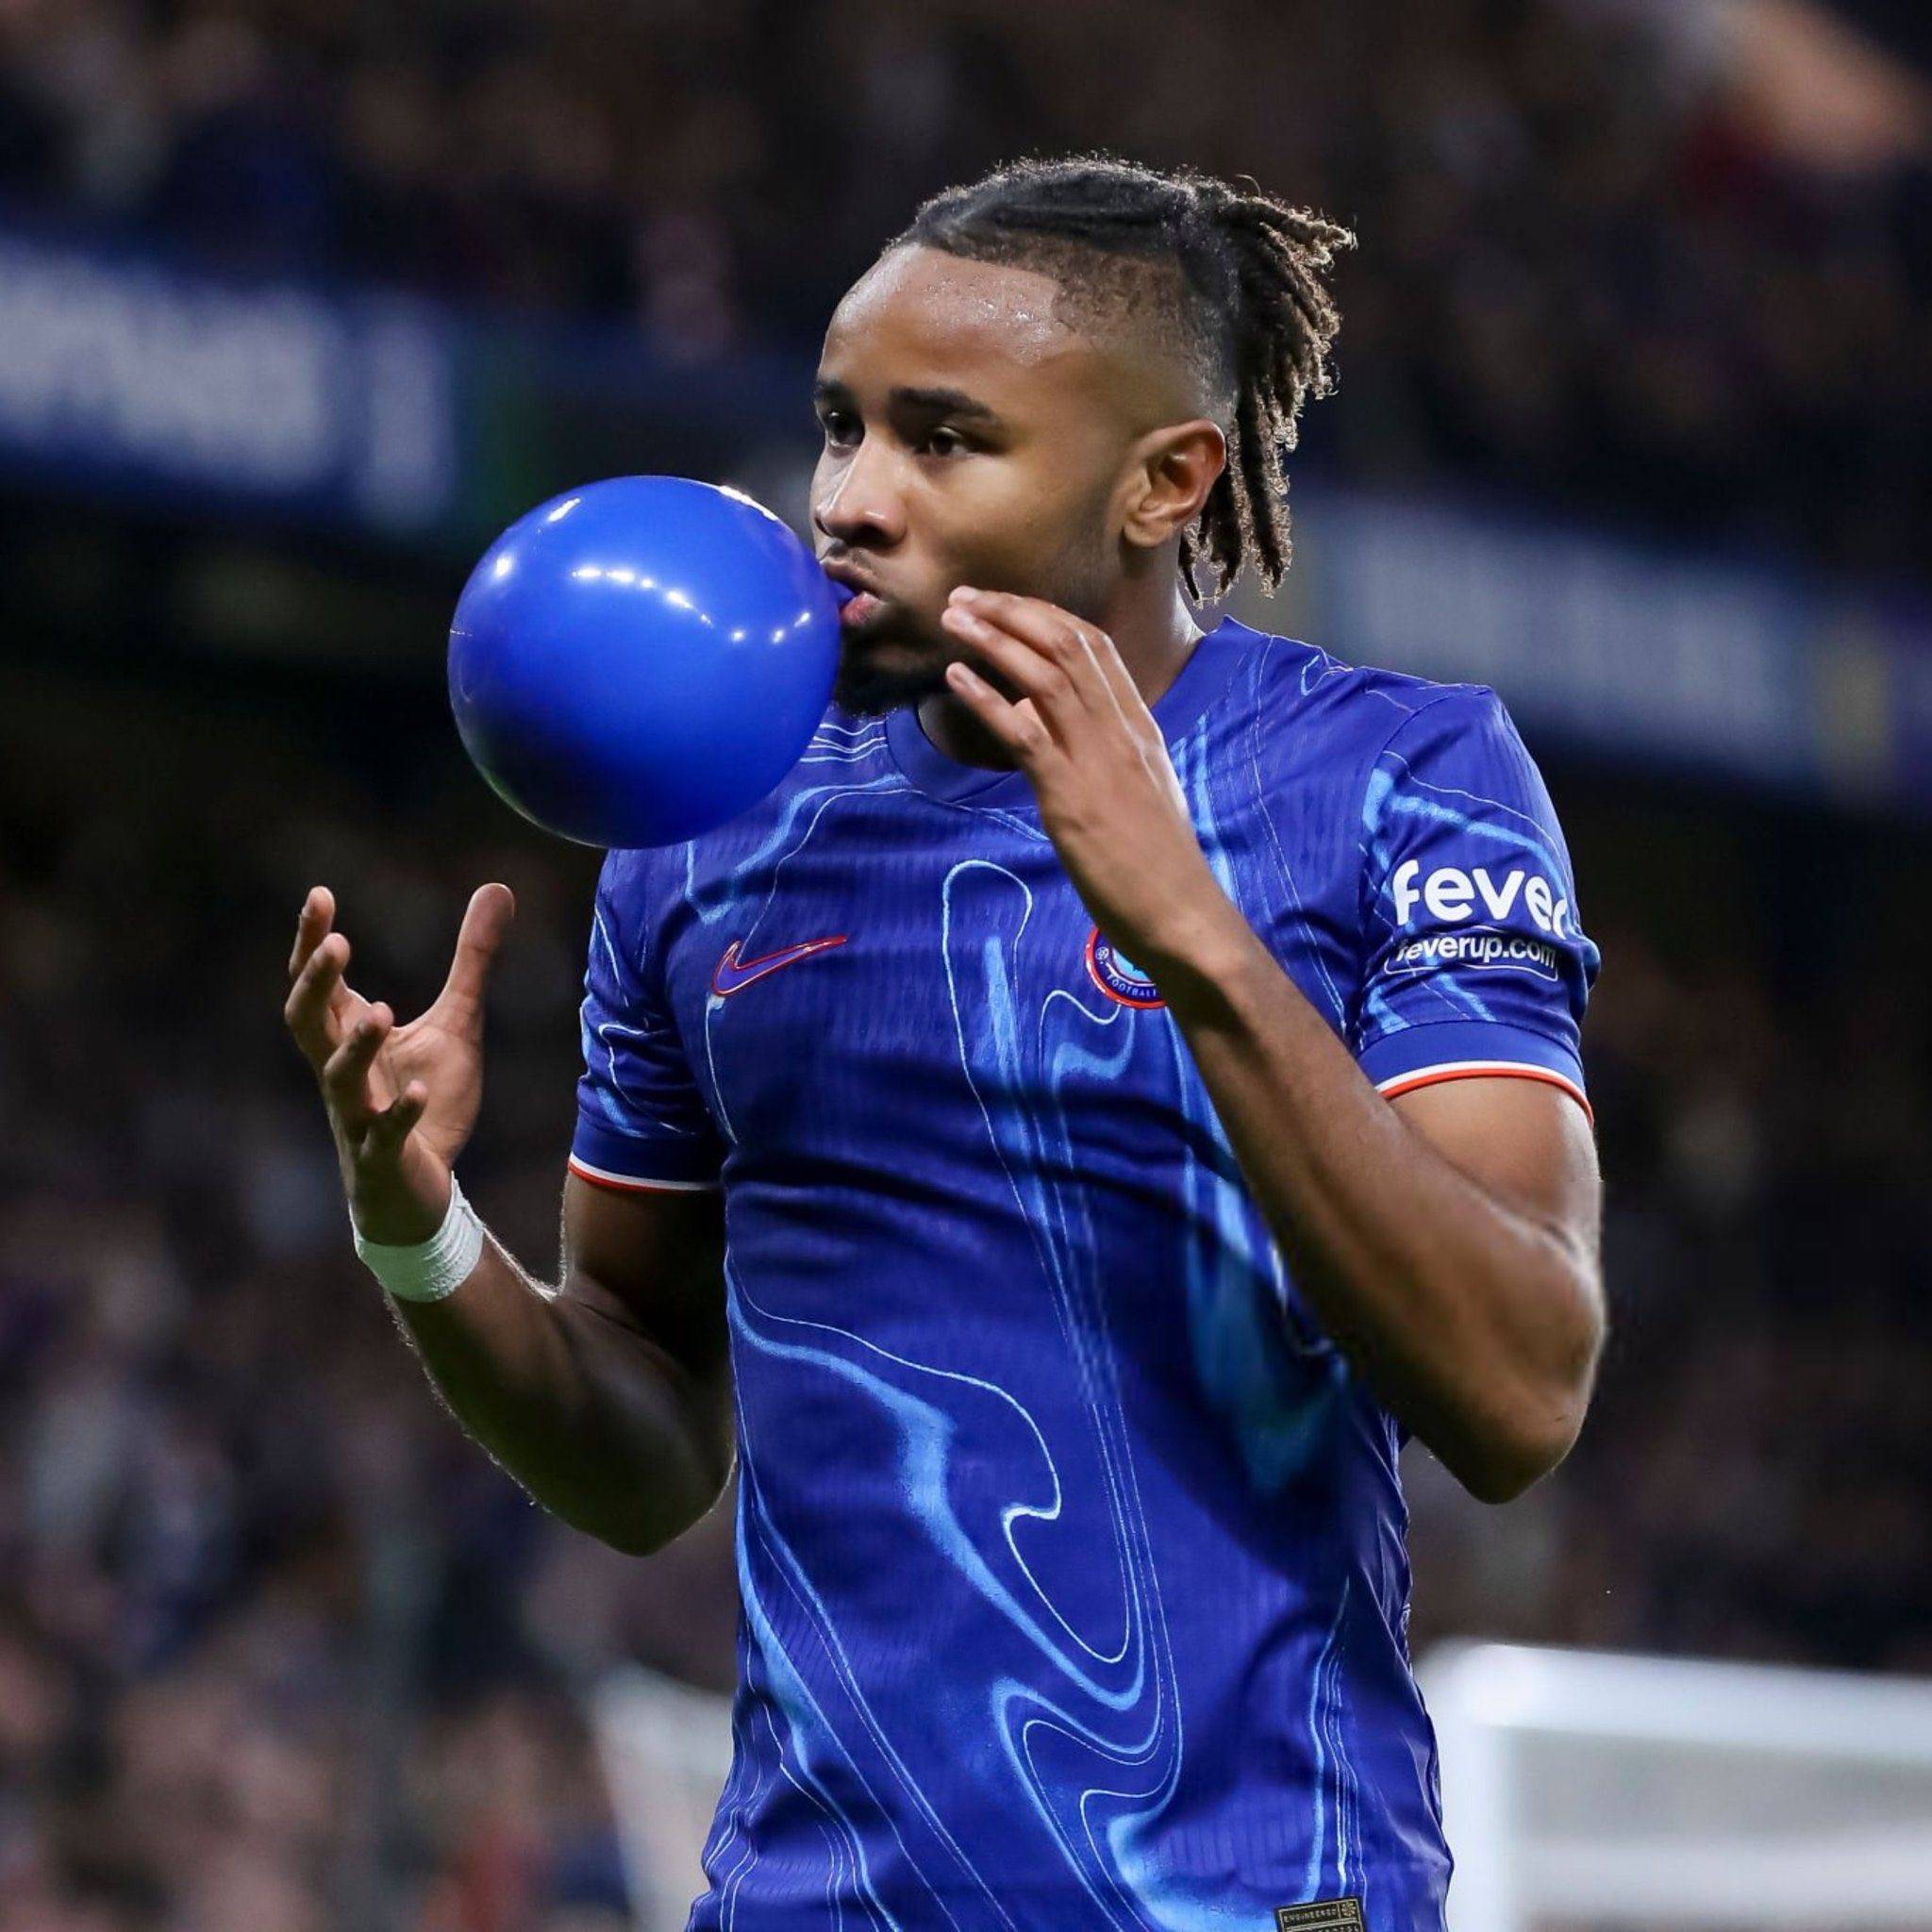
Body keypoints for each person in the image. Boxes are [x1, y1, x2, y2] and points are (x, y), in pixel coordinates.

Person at [285, 154, 1605, 1929]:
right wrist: (420, 1231)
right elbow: (647, 1444)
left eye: (946, 441)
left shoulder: (1398, 779)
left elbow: (1519, 1392)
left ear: (1167, 481)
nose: (851, 501)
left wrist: (1189, 931)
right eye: (842, 427)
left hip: (1260, 1895)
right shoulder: (708, 836)